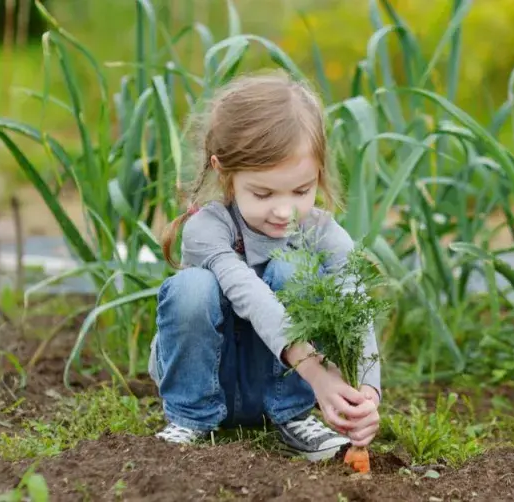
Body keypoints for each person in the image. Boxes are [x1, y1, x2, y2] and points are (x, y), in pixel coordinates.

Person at [149, 70, 381, 462]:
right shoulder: (208, 227)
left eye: (301, 190)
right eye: (263, 192)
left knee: (297, 270)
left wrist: (367, 394)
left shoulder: (325, 234)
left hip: (281, 387)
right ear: (225, 172)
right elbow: (251, 295)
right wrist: (315, 370)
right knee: (192, 288)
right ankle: (190, 419)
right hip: (214, 377)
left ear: (318, 175)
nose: (283, 209)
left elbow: (355, 306)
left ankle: (292, 417)